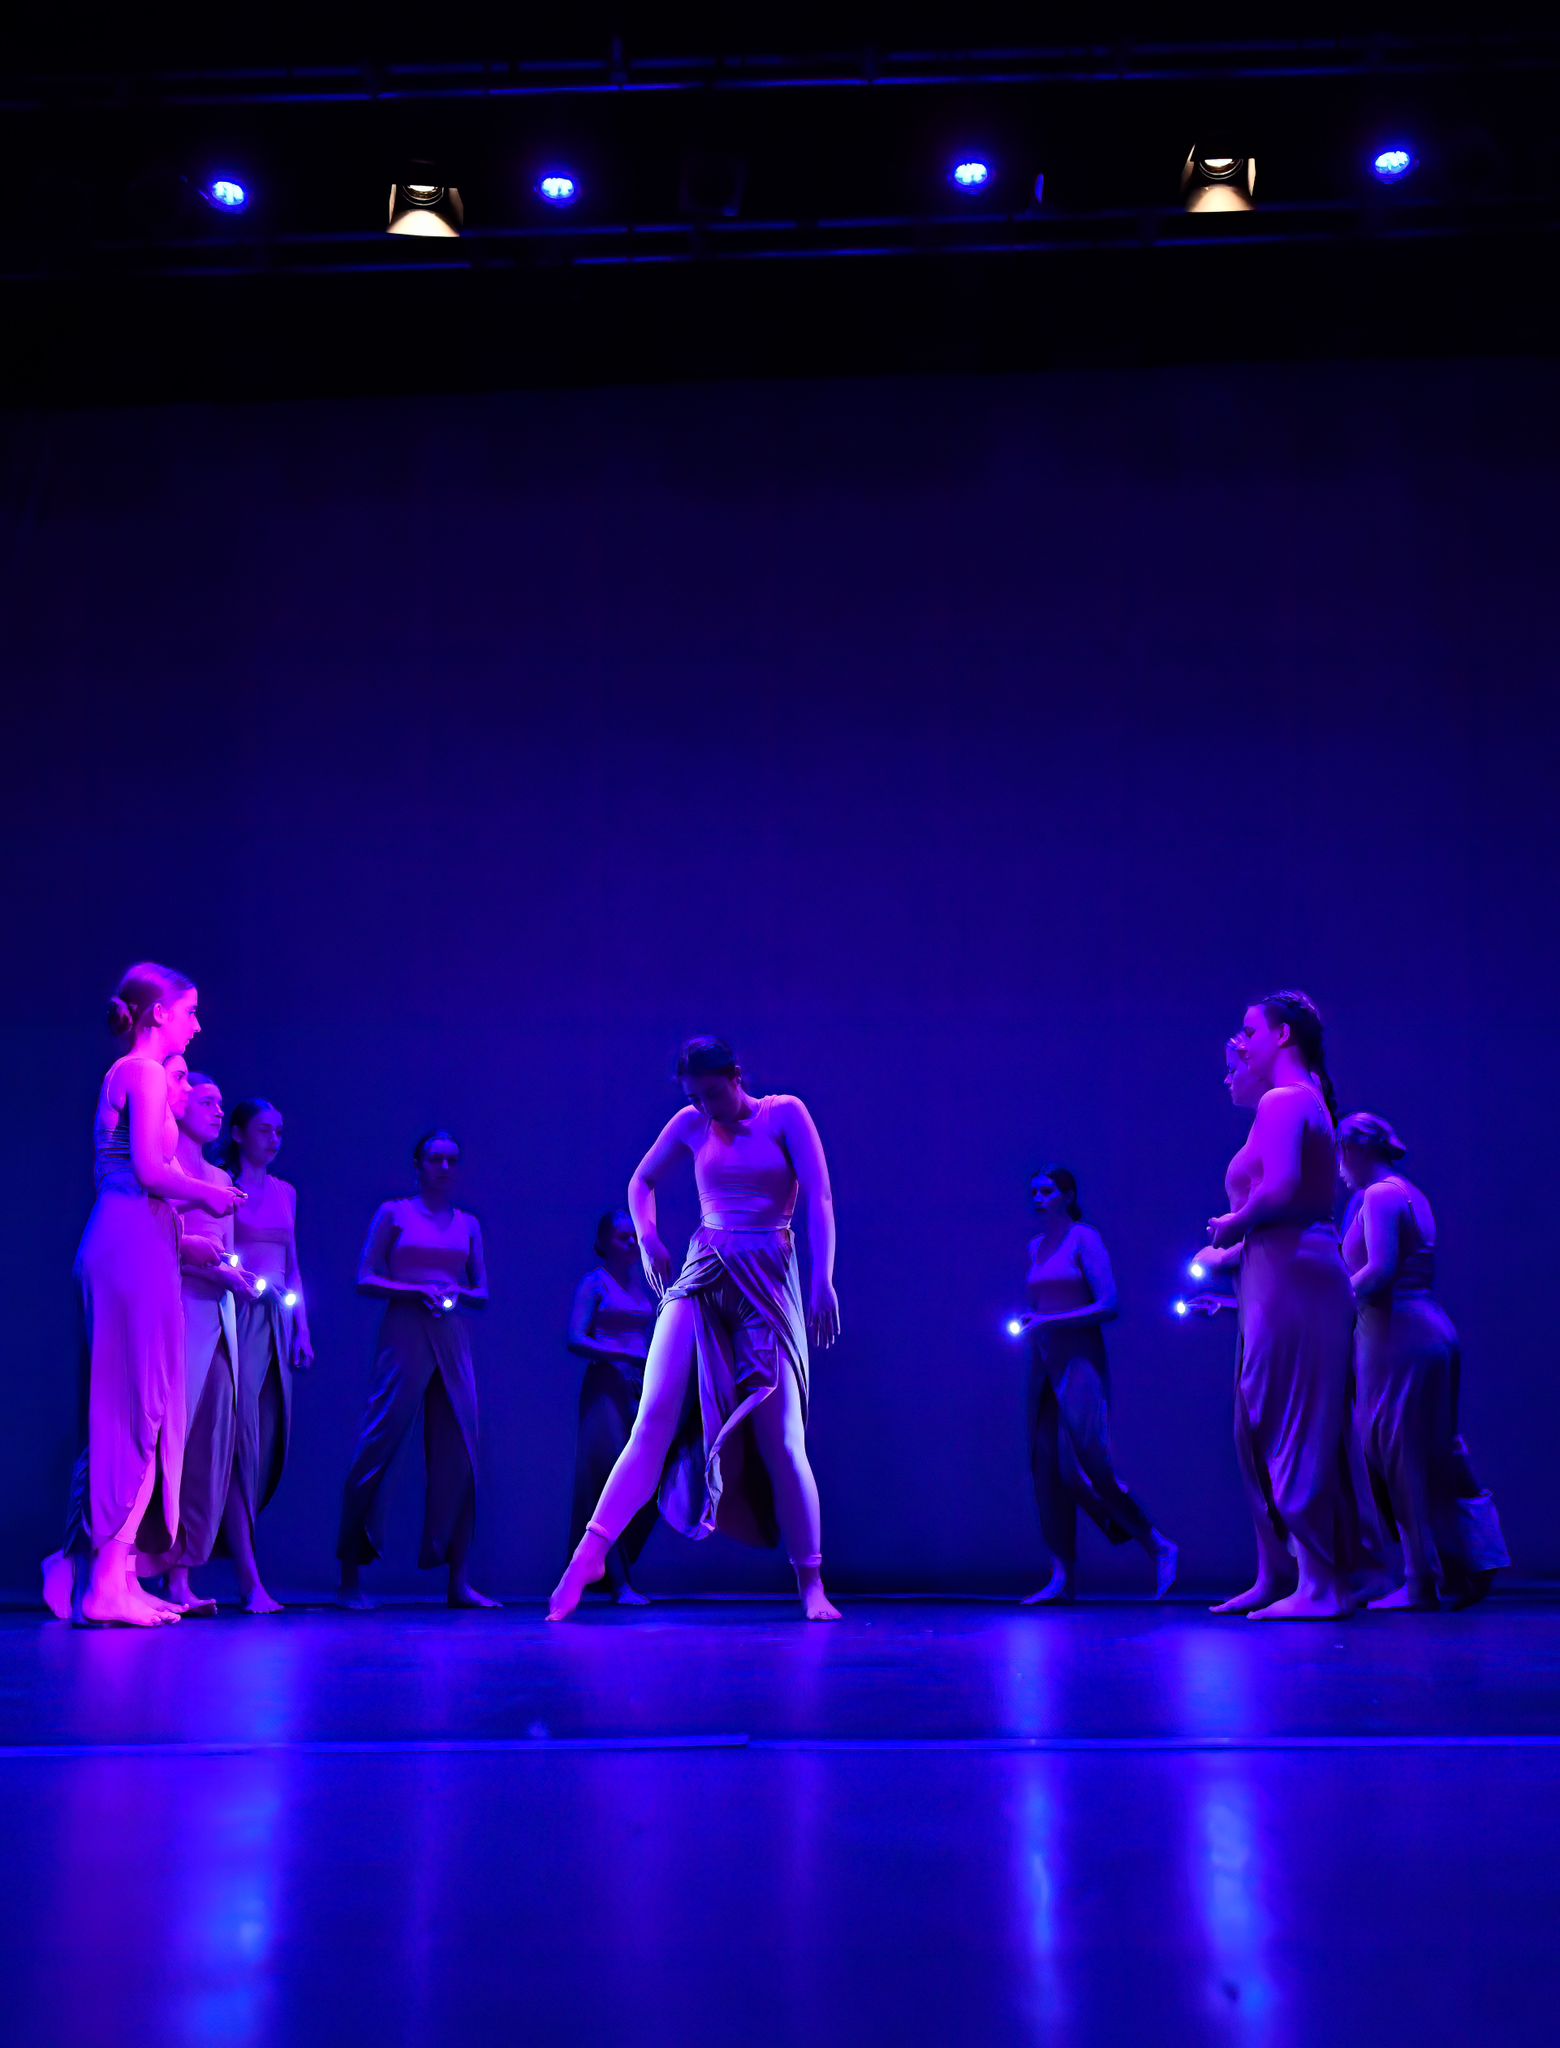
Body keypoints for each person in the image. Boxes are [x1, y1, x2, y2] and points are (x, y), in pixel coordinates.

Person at [548, 1038, 842, 1623]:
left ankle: (811, 1582)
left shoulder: (786, 1113)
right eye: (694, 1097)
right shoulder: (690, 1123)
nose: (707, 1107)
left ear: (736, 1076)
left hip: (768, 1277)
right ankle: (590, 1554)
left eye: (713, 1093)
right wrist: (650, 1237)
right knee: (651, 1420)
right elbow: (640, 1184)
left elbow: (822, 1199)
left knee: (783, 1440)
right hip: (704, 1268)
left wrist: (822, 1281)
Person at [46, 965, 242, 1628]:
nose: (197, 1024)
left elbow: (147, 1186)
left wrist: (190, 1244)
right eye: (190, 1011)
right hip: (128, 1244)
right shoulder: (142, 1072)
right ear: (159, 1013)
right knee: (128, 1407)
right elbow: (150, 1173)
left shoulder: (145, 1077)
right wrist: (211, 1193)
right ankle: (103, 1581)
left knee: (148, 1409)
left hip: (146, 1243)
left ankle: (118, 1576)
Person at [1205, 991, 1381, 1620]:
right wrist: (1230, 1260)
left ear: (1283, 1035)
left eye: (1248, 1029)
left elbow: (1280, 1192)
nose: (1241, 1041)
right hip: (1279, 1273)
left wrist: (1231, 1224)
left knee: (1291, 1420)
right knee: (1258, 1419)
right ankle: (1280, 1571)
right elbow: (1293, 1204)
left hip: (1295, 1278)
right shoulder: (1296, 1102)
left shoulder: (1286, 1100)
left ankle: (1321, 1583)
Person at [1340, 1113, 1509, 1609]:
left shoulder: (1380, 1195)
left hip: (1398, 1334)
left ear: (1353, 1151)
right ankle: (1472, 1563)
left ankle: (1420, 1578)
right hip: (1422, 1328)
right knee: (1435, 1450)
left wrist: (1331, 1302)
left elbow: (1381, 1270)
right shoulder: (1409, 1192)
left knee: (1398, 1455)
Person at [337, 1130, 498, 1610]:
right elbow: (365, 1277)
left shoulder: (468, 1224)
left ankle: (459, 1581)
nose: (444, 1168)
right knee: (376, 1446)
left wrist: (449, 1292)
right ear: (418, 1164)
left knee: (462, 1452)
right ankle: (350, 1580)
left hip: (451, 1334)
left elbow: (482, 1292)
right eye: (435, 1160)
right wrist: (416, 1291)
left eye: (452, 1161)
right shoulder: (394, 1213)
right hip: (405, 1332)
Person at [1016, 1166, 1178, 1603]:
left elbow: (1110, 1305)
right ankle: (1061, 1576)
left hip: (1080, 1361)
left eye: (1047, 1190)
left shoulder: (1085, 1239)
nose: (1038, 1198)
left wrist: (1049, 1321)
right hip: (1043, 1363)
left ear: (1068, 1195)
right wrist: (1038, 1323)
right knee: (1047, 1470)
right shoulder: (1036, 1247)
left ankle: (1156, 1543)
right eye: (1033, 1191)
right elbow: (1042, 1304)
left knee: (1089, 1466)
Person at [141, 1070, 261, 1614]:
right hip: (176, 1314)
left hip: (217, 1319)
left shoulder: (217, 1175)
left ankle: (182, 1574)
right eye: (205, 1101)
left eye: (219, 1103)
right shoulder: (165, 1173)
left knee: (211, 1446)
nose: (216, 1111)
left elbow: (224, 1251)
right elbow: (161, 1246)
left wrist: (236, 1278)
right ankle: (141, 1565)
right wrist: (217, 1272)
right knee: (168, 1441)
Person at [223, 1098, 314, 1613]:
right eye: (264, 1130)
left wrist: (302, 1328)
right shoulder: (222, 1186)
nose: (274, 1139)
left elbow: (292, 1264)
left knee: (264, 1445)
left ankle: (245, 1571)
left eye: (280, 1131)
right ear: (238, 1134)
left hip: (277, 1318)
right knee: (238, 1444)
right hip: (238, 1314)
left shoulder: (286, 1193)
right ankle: (247, 1578)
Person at [566, 1208, 660, 1605]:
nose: (630, 1243)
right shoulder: (595, 1284)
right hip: (606, 1387)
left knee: (651, 1480)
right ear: (604, 1242)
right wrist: (621, 1354)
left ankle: (610, 1569)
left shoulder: (642, 1287)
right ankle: (620, 1583)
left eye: (633, 1236)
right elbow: (574, 1338)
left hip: (640, 1388)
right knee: (609, 1479)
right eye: (622, 1236)